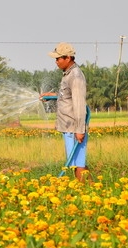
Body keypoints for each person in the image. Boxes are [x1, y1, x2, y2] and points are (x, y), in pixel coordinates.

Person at [41, 42, 89, 182]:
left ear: (68, 58)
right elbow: (67, 97)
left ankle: (86, 190)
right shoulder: (68, 74)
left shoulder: (76, 76)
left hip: (74, 127)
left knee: (77, 164)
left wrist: (80, 130)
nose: (56, 61)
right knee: (75, 163)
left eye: (58, 58)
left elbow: (79, 104)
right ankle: (89, 189)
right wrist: (51, 95)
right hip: (69, 127)